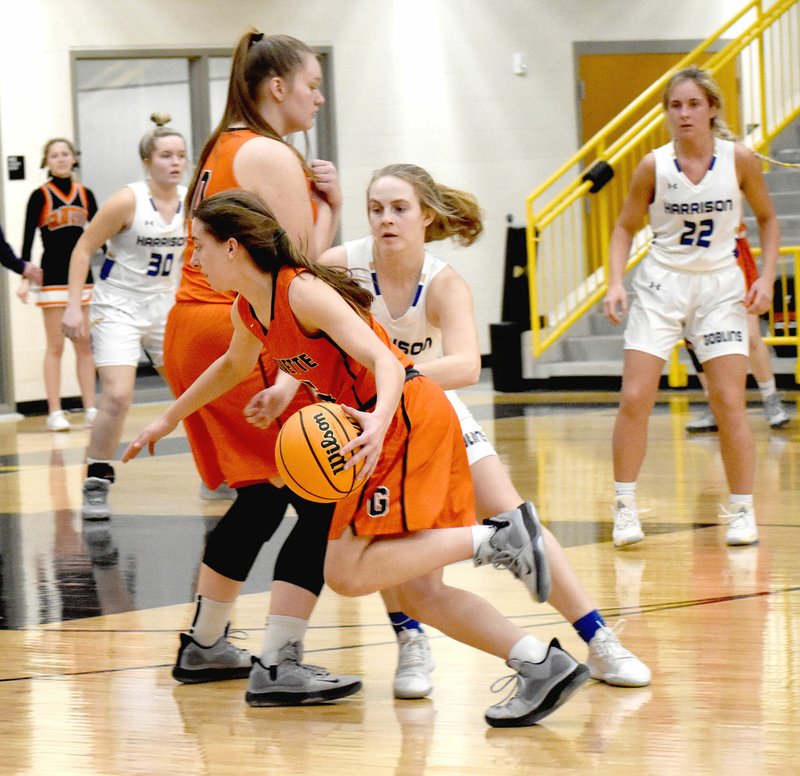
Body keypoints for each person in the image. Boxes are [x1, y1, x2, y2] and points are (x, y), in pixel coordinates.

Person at [123, 189, 590, 728]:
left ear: (231, 248)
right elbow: (232, 365)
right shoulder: (249, 307)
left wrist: (375, 420)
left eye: (198, 246)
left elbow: (386, 364)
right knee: (419, 593)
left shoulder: (303, 292)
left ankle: (498, 538)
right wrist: (169, 416)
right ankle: (540, 665)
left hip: (403, 419)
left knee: (345, 572)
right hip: (372, 429)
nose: (193, 258)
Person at [320, 163, 651, 699]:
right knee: (385, 534)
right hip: (373, 422)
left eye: (399, 208)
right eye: (376, 209)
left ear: (426, 215)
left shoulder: (443, 281)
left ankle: (600, 637)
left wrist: (392, 376)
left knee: (517, 518)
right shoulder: (342, 267)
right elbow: (302, 312)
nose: (386, 219)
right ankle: (410, 639)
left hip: (433, 411)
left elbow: (468, 366)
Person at [158, 30, 360, 705]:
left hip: (191, 329)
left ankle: (206, 642)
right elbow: (299, 268)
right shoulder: (268, 151)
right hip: (233, 326)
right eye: (312, 84)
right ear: (277, 88)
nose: (320, 96)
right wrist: (332, 204)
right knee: (323, 491)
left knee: (265, 494)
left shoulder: (221, 146)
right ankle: (281, 661)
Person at [603, 66, 780, 549]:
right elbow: (623, 227)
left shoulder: (739, 160)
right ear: (667, 113)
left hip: (720, 288)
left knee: (729, 402)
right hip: (662, 286)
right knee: (635, 398)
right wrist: (616, 281)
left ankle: (742, 511)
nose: (684, 113)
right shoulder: (652, 166)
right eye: (675, 105)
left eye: (693, 104)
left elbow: (767, 218)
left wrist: (764, 276)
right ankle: (624, 506)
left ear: (712, 109)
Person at [61, 114, 188, 520]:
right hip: (118, 304)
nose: (175, 162)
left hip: (167, 304)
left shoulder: (193, 202)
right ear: (147, 161)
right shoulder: (127, 200)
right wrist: (72, 305)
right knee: (116, 395)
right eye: (166, 155)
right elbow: (83, 249)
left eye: (181, 156)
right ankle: (96, 480)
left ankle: (217, 471)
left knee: (193, 392)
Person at [20, 138, 98, 432]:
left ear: (73, 159)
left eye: (65, 154)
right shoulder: (39, 195)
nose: (61, 159)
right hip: (52, 276)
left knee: (84, 344)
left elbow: (101, 233)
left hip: (83, 278)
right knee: (55, 345)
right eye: (55, 155)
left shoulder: (86, 194)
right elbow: (26, 238)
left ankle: (90, 407)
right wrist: (24, 278)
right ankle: (55, 412)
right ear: (47, 161)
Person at [685, 225, 790, 431]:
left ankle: (771, 398)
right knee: (695, 338)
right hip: (690, 258)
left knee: (750, 337)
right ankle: (715, 406)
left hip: (730, 253)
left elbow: (762, 216)